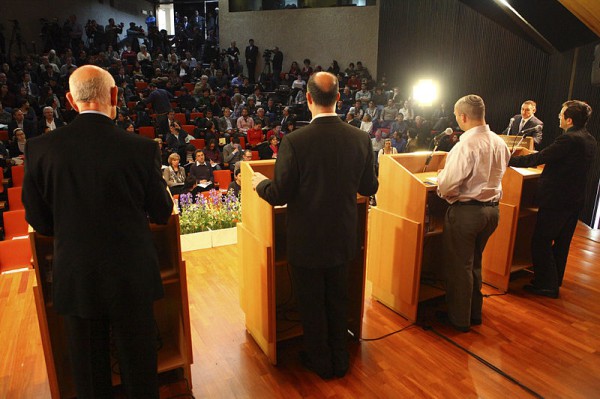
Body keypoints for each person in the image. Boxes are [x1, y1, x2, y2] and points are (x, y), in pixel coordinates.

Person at [22, 65, 173, 398]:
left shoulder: (39, 149)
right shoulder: (142, 149)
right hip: (131, 277)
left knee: (89, 378)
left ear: (70, 100)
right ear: (114, 96)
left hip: (77, 278)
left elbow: (40, 221)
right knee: (140, 372)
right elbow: (163, 213)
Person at [252, 72, 378, 379]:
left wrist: (259, 184)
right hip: (343, 237)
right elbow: (370, 187)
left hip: (307, 241)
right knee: (338, 298)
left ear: (307, 98)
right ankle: (340, 358)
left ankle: (321, 362)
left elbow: (280, 193)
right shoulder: (360, 138)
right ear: (339, 97)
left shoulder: (294, 142)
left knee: (311, 303)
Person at [436, 94, 510, 332]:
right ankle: (474, 313)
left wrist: (440, 181)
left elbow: (448, 186)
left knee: (460, 267)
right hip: (492, 212)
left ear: (463, 116)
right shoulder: (499, 142)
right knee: (475, 263)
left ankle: (459, 320)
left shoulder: (465, 145)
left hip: (468, 213)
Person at [508, 100, 596, 298]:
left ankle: (545, 285)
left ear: (569, 119)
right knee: (562, 241)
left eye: (561, 113)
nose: (558, 116)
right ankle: (555, 280)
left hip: (557, 199)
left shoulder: (568, 139)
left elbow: (540, 158)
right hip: (574, 200)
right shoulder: (589, 138)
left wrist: (510, 160)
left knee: (541, 240)